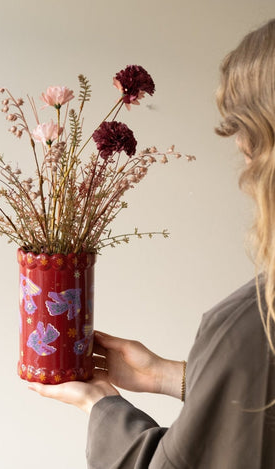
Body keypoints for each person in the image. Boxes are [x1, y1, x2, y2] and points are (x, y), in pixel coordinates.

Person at [28, 19, 275, 469]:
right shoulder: (250, 328)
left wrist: (101, 405)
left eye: (244, 131)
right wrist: (165, 375)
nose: (240, 151)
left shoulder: (253, 323)